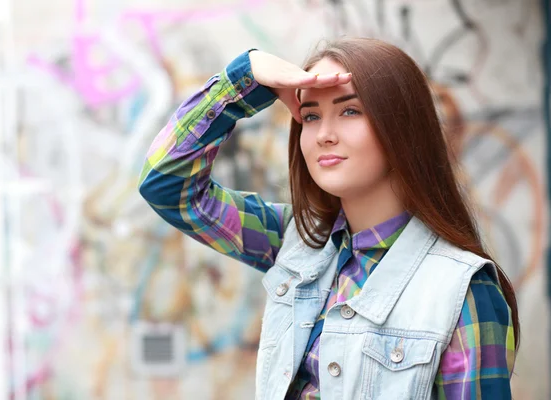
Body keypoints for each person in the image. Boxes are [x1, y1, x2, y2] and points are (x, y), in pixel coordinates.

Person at [138, 37, 518, 400]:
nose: (324, 134)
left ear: (402, 127)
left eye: (349, 110)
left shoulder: (462, 291)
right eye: (311, 116)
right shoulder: (296, 241)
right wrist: (245, 78)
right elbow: (167, 185)